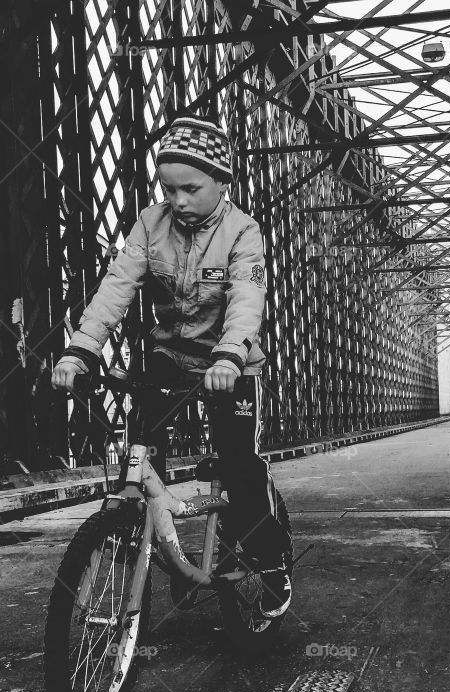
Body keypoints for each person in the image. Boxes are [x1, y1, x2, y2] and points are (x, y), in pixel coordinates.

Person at [50, 114, 293, 617]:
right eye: (168, 188)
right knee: (139, 458)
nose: (177, 200)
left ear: (221, 182)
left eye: (190, 188)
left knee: (238, 467)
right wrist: (81, 349)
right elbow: (116, 287)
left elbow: (246, 298)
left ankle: (271, 564)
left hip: (229, 365)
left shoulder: (244, 232)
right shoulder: (149, 223)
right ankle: (145, 535)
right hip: (167, 358)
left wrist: (228, 356)